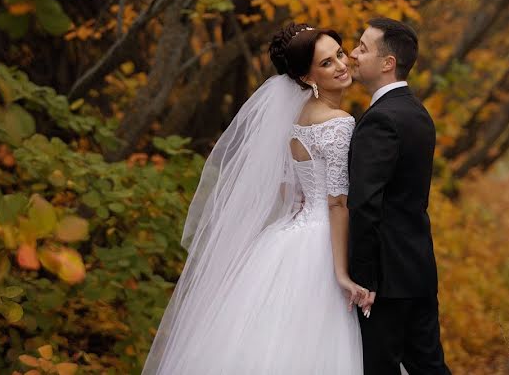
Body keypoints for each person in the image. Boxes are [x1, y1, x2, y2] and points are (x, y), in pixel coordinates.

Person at [141, 23, 366, 374]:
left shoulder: (293, 119)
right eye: (326, 63)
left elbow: (286, 188)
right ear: (307, 78)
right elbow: (337, 203)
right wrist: (341, 272)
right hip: (323, 245)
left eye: (340, 54)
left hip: (288, 237)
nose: (341, 65)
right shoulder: (340, 123)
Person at [348, 18, 451, 374]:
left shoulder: (381, 120)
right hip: (418, 267)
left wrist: (363, 279)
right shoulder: (417, 113)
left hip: (385, 280)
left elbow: (364, 203)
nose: (353, 54)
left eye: (363, 47)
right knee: (429, 366)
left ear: (387, 63)